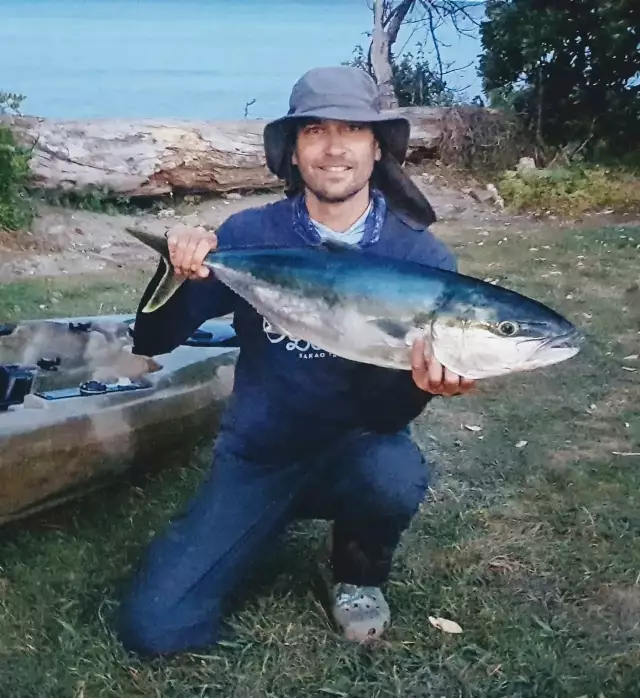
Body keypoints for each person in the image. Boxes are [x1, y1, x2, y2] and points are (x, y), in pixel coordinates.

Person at [118, 66, 475, 656]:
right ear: (294, 150)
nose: (335, 148)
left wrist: (428, 387)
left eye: (353, 131)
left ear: (376, 146)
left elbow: (387, 416)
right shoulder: (250, 234)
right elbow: (152, 339)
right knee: (155, 630)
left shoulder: (418, 255)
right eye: (315, 131)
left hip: (356, 449)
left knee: (393, 471)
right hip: (257, 455)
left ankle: (357, 573)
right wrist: (174, 269)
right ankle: (250, 525)